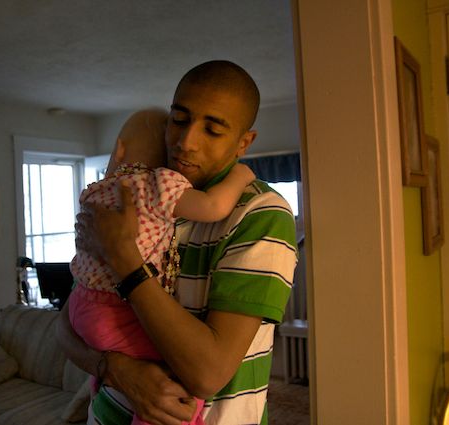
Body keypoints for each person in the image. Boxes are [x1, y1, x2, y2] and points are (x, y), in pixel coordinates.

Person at [57, 60, 298, 425]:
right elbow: (65, 326)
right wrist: (112, 368)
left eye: (212, 130)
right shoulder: (141, 197)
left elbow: (207, 374)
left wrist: (123, 256)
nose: (186, 143)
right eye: (179, 120)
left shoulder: (260, 213)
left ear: (244, 143)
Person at [68, 107, 256, 425]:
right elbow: (213, 205)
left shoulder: (97, 191)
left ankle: (101, 384)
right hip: (116, 310)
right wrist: (242, 175)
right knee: (175, 377)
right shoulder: (158, 184)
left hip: (80, 305)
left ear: (119, 149)